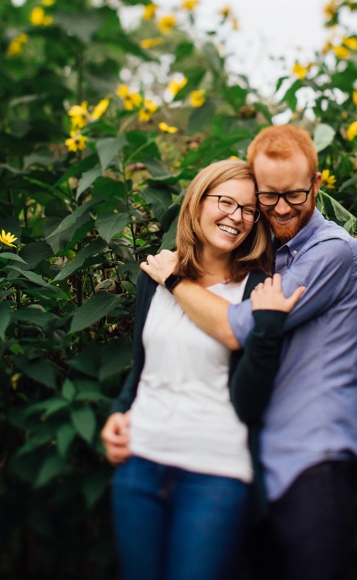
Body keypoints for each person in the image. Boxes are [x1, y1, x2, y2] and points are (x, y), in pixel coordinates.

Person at [140, 125, 357, 580]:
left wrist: (173, 280)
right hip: (255, 465)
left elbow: (233, 329)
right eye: (269, 197)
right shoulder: (264, 259)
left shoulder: (333, 253)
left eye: (295, 195)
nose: (282, 208)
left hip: (312, 459)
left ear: (317, 185)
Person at [100, 159, 304, 580]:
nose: (237, 217)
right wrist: (117, 414)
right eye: (225, 202)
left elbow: (251, 401)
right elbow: (142, 368)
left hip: (215, 473)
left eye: (249, 210)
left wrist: (266, 330)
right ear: (197, 202)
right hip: (140, 462)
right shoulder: (155, 275)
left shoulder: (256, 288)